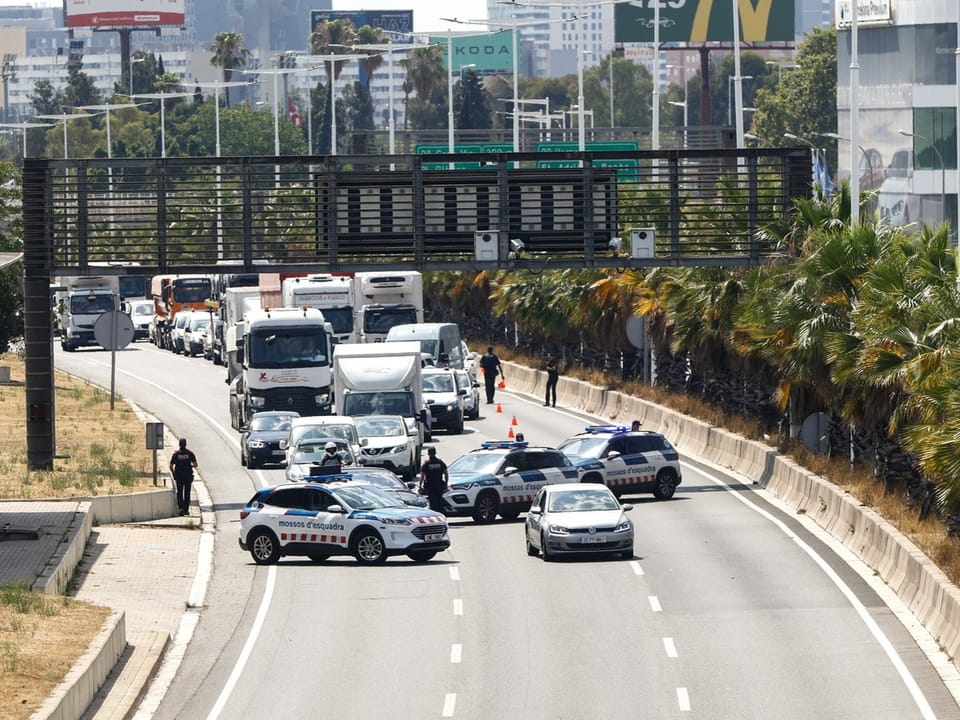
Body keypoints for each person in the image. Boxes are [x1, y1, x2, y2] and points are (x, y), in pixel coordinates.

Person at [169, 438, 198, 516]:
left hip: (179, 476)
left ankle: (180, 509)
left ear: (179, 444)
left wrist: (174, 473)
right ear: (185, 444)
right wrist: (190, 466)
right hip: (188, 476)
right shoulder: (190, 453)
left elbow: (171, 465)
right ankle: (186, 510)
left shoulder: (176, 454)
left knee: (179, 492)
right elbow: (195, 464)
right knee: (187, 493)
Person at [419, 447, 449, 513]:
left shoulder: (426, 464)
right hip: (439, 485)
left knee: (432, 503)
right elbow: (446, 474)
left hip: (430, 486)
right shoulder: (440, 462)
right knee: (439, 501)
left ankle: (435, 515)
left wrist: (420, 485)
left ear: (428, 454)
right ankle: (441, 514)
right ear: (435, 453)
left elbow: (422, 476)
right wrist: (446, 484)